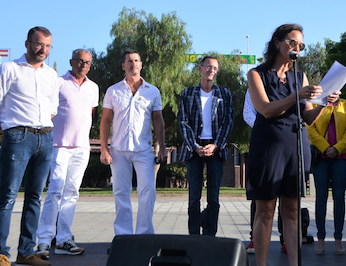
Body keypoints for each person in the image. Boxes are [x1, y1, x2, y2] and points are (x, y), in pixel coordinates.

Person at [246, 24, 337, 266]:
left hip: (296, 145)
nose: (297, 48)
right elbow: (265, 109)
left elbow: (309, 117)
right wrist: (298, 96)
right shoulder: (256, 74)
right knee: (265, 210)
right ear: (277, 42)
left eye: (301, 45)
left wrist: (324, 103)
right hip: (268, 146)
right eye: (292, 42)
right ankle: (261, 264)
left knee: (292, 210)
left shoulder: (300, 76)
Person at [0, 26, 59, 266]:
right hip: (18, 137)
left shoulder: (51, 75)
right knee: (8, 196)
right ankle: (1, 254)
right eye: (38, 44)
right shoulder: (8, 69)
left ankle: (26, 252)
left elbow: (53, 107)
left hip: (45, 138)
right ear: (27, 44)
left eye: (47, 46)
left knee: (35, 197)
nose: (43, 50)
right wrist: (9, 127)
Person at [36, 49, 99, 258]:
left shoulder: (93, 87)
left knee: (72, 192)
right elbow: (49, 111)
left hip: (82, 148)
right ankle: (44, 241)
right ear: (71, 62)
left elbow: (90, 113)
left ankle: (63, 239)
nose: (83, 65)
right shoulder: (59, 83)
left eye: (87, 62)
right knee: (55, 191)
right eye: (80, 61)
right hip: (59, 146)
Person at [99, 50, 166, 235]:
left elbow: (158, 120)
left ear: (141, 64)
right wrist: (104, 149)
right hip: (118, 150)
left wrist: (162, 148)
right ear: (123, 65)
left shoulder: (152, 91)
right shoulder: (113, 91)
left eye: (136, 60)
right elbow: (105, 120)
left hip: (143, 150)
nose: (133, 63)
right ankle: (123, 236)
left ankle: (144, 234)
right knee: (121, 192)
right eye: (129, 61)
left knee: (148, 191)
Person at [178, 56, 234, 236]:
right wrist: (194, 146)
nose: (211, 70)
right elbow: (183, 122)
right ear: (200, 69)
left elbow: (228, 122)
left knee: (213, 197)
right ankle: (194, 235)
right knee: (194, 196)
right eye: (208, 67)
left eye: (215, 68)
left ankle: (210, 236)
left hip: (216, 148)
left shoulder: (224, 94)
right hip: (194, 149)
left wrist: (216, 145)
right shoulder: (187, 94)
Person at [307, 96, 346, 256]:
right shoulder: (315, 105)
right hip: (320, 156)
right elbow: (310, 127)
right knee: (321, 196)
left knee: (339, 196)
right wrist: (326, 147)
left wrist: (337, 148)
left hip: (341, 156)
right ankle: (320, 238)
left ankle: (338, 238)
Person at [242, 89, 257, 254]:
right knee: (258, 195)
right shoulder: (254, 85)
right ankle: (255, 239)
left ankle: (286, 240)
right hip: (261, 139)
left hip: (284, 139)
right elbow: (247, 114)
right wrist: (265, 126)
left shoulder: (290, 82)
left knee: (286, 196)